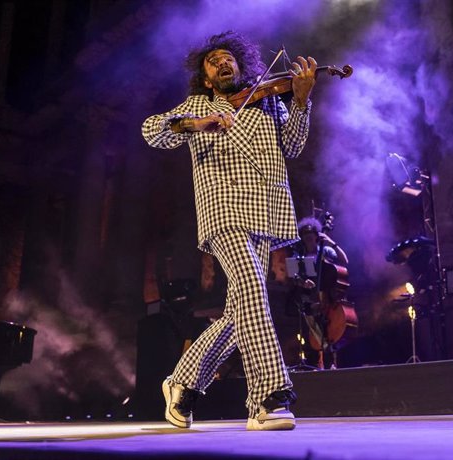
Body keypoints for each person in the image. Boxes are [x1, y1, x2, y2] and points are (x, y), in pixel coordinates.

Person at [141, 31, 317, 431]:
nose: (222, 63)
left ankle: (182, 383)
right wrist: (197, 124)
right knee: (255, 293)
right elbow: (152, 130)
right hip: (223, 212)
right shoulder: (200, 105)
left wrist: (302, 100)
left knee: (242, 312)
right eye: (212, 61)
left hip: (266, 213)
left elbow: (293, 147)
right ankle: (268, 398)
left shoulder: (270, 100)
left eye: (228, 58)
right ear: (206, 78)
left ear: (240, 65)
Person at [287, 217, 349, 369]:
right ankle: (320, 361)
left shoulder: (325, 251)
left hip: (328, 298)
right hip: (310, 299)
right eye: (305, 234)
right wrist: (303, 282)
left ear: (317, 235)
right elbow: (294, 278)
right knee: (313, 329)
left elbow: (344, 261)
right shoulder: (299, 256)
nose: (308, 237)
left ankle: (332, 358)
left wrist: (331, 242)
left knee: (330, 329)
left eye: (311, 233)